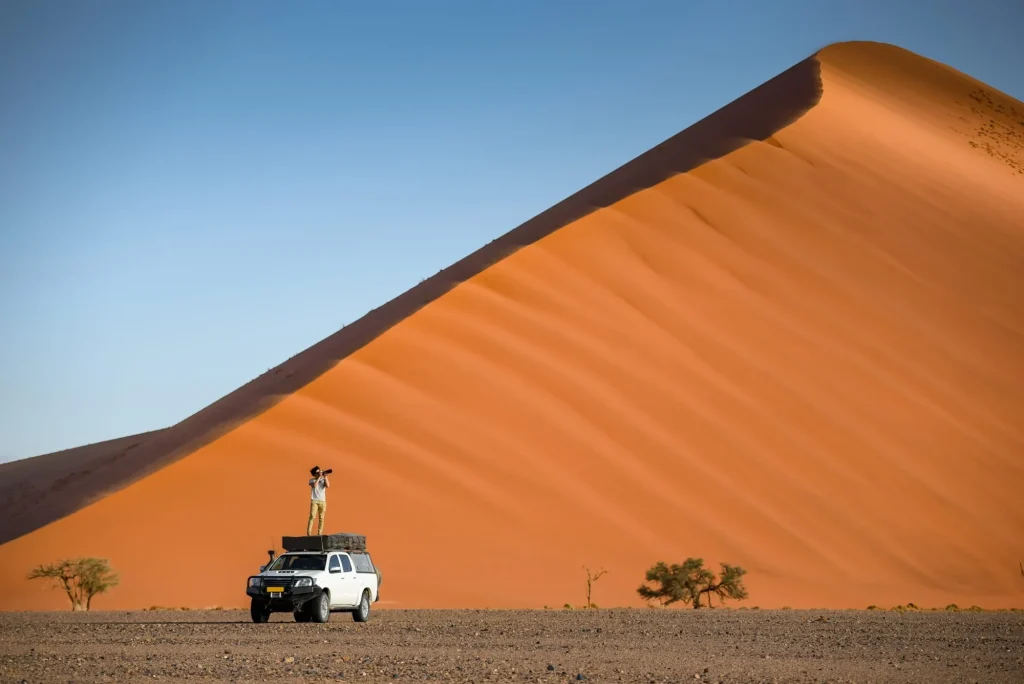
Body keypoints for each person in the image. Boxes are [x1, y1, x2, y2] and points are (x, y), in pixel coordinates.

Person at [307, 465, 329, 535]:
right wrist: (319, 477)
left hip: (323, 501)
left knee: (321, 518)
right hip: (315, 500)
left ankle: (320, 533)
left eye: (320, 471)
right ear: (314, 474)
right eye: (317, 472)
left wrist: (325, 477)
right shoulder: (312, 480)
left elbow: (328, 486)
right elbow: (314, 486)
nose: (319, 473)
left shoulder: (323, 479)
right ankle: (309, 533)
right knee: (312, 516)